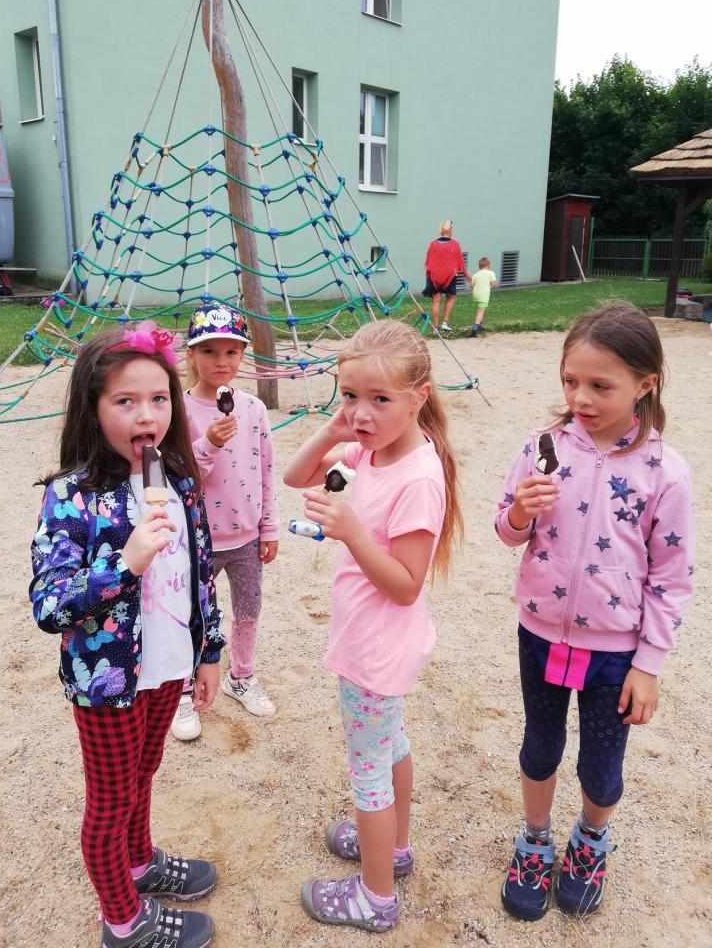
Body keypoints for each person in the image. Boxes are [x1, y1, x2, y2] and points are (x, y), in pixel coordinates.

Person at [495, 302, 695, 921]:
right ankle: (534, 839)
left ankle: (590, 838)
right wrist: (520, 512)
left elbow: (672, 576)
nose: (579, 398)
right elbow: (505, 530)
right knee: (540, 746)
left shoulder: (666, 472)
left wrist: (649, 664)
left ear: (645, 384)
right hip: (540, 634)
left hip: (615, 652)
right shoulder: (543, 448)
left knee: (602, 766)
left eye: (600, 386)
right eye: (570, 381)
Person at [30, 321, 225, 948]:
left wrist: (209, 651)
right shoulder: (72, 495)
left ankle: (140, 863)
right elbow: (49, 604)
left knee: (144, 774)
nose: (146, 415)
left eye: (159, 398)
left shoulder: (179, 479)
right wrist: (125, 563)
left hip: (167, 666)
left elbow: (201, 571)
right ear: (93, 407)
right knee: (110, 802)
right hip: (107, 682)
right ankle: (122, 919)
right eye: (125, 401)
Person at [283, 319, 463, 932]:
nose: (362, 412)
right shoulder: (372, 449)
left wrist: (352, 531)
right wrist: (331, 429)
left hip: (375, 650)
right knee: (392, 746)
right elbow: (297, 476)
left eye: (380, 398)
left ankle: (376, 896)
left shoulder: (417, 477)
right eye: (350, 396)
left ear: (419, 398)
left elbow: (407, 584)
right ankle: (396, 848)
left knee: (369, 773)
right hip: (374, 643)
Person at [169, 301, 278, 740]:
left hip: (247, 538)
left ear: (243, 355)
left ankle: (241, 675)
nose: (221, 361)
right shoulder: (177, 409)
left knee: (248, 610)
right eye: (209, 351)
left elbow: (266, 470)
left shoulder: (254, 408)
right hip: (198, 539)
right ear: (191, 355)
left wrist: (269, 527)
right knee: (189, 613)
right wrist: (208, 443)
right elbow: (177, 477)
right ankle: (182, 688)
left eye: (231, 352)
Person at [421, 220, 471, 332]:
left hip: (434, 276)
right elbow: (460, 263)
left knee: (436, 300)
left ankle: (435, 327)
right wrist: (467, 275)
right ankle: (445, 322)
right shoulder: (455, 244)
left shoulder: (433, 244)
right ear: (449, 229)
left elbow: (429, 261)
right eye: (452, 228)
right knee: (450, 297)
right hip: (449, 275)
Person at [468, 256, 497, 336]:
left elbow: (471, 285)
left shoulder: (476, 274)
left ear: (479, 266)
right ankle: (475, 326)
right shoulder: (490, 273)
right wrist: (489, 286)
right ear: (488, 265)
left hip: (476, 294)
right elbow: (494, 284)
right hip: (484, 295)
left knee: (480, 309)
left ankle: (480, 324)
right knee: (481, 311)